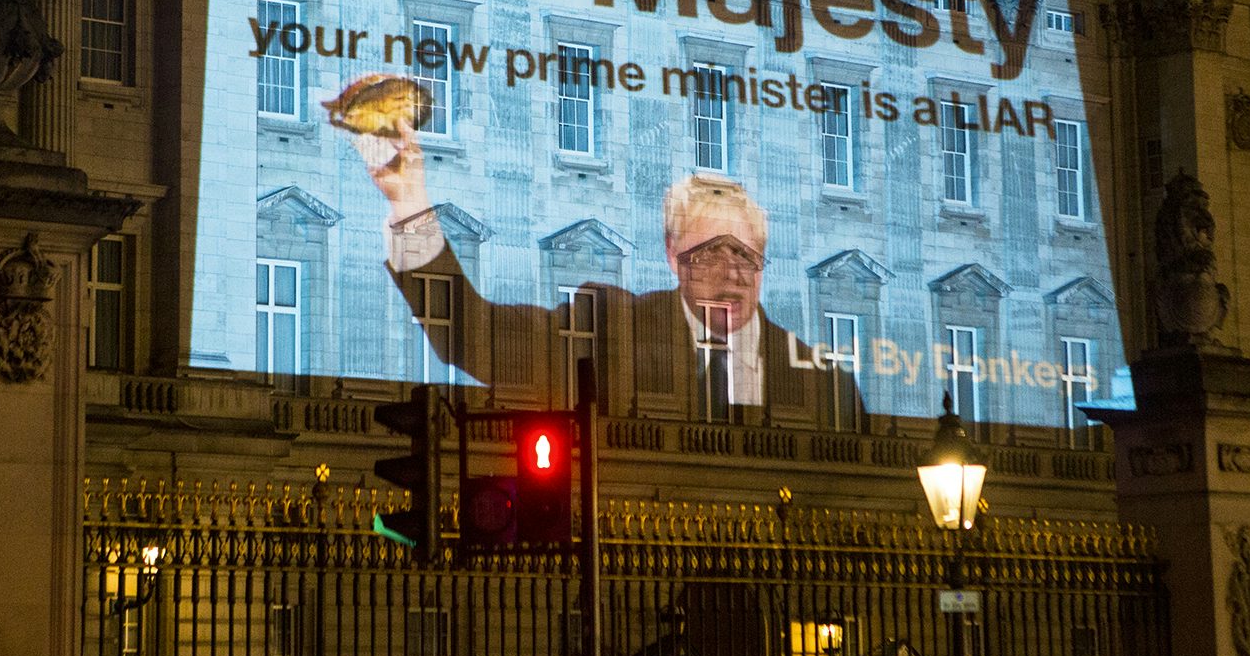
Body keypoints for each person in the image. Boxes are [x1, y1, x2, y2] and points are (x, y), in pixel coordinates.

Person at [336, 76, 863, 418]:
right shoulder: (612, 329)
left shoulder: (823, 383)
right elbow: (472, 336)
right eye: (710, 253)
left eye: (746, 257)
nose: (732, 275)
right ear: (672, 255)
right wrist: (410, 200)